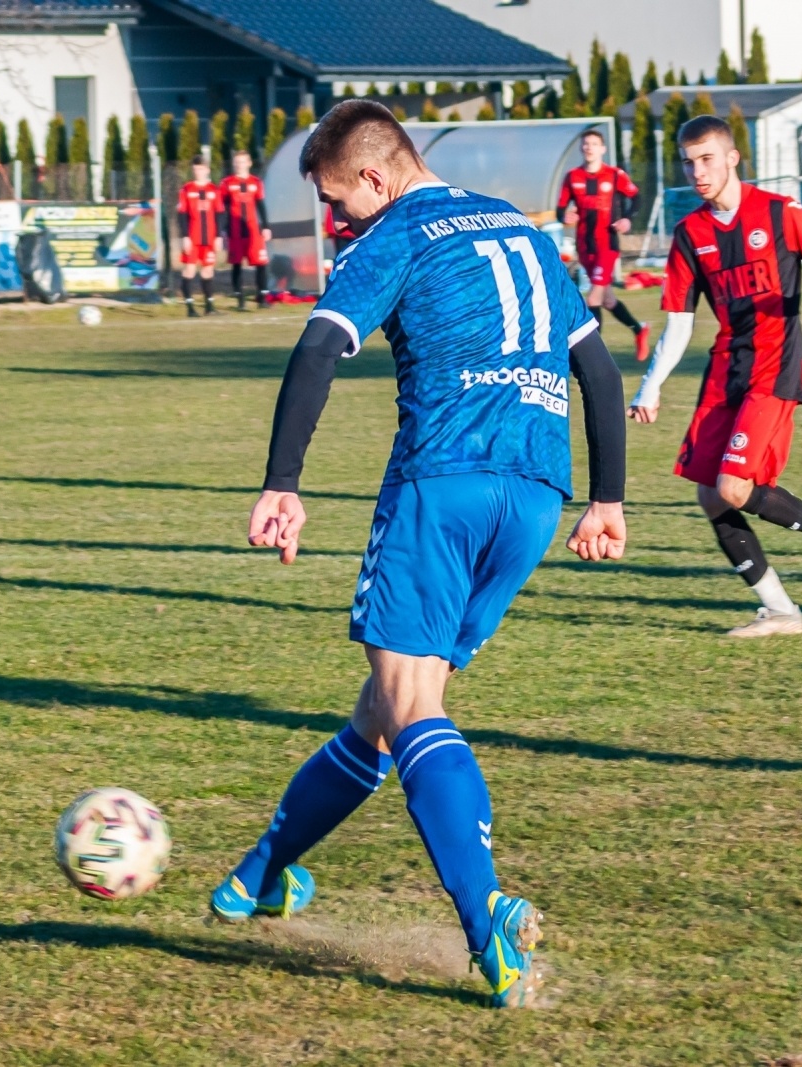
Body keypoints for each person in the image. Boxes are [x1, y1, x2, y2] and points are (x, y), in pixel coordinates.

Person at [211, 101, 629, 1009]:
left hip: (444, 479)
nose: (339, 225)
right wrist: (608, 499)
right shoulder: (518, 224)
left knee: (411, 703)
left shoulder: (396, 230)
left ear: (375, 176)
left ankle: (488, 921)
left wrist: (283, 481)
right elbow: (596, 367)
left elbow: (318, 347)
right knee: (385, 708)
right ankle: (257, 874)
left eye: (338, 205)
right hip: (535, 493)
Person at [629, 115, 802, 638]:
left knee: (734, 487)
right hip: (725, 369)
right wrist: (651, 385)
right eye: (689, 163)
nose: (698, 171)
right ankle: (780, 611)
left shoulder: (781, 213)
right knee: (710, 496)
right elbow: (680, 322)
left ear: (733, 157)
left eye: (707, 158)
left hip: (774, 366)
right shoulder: (690, 233)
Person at [558, 128, 651, 361]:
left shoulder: (614, 175)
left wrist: (627, 218)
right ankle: (639, 330)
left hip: (607, 245)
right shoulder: (572, 177)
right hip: (585, 246)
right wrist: (564, 216)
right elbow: (561, 208)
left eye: (594, 144)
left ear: (603, 149)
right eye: (585, 144)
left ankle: (593, 359)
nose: (589, 147)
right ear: (581, 148)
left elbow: (636, 197)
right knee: (608, 300)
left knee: (593, 299)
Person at [219, 150, 270, 310]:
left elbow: (261, 205)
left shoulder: (255, 182)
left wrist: (266, 226)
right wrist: (223, 229)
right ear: (234, 164)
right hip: (234, 230)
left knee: (261, 262)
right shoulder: (227, 183)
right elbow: (222, 208)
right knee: (237, 264)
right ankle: (240, 299)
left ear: (249, 163)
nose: (240, 165)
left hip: (253, 229)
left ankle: (262, 297)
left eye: (243, 162)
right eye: (237, 162)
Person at [176, 158, 224, 317]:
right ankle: (190, 307)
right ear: (193, 170)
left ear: (207, 170)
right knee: (189, 270)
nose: (199, 172)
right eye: (196, 169)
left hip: (209, 238)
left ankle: (209, 306)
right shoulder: (186, 189)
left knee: (208, 270)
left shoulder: (214, 190)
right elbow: (182, 215)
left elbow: (219, 214)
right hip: (193, 237)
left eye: (201, 169)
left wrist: (218, 236)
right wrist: (184, 236)